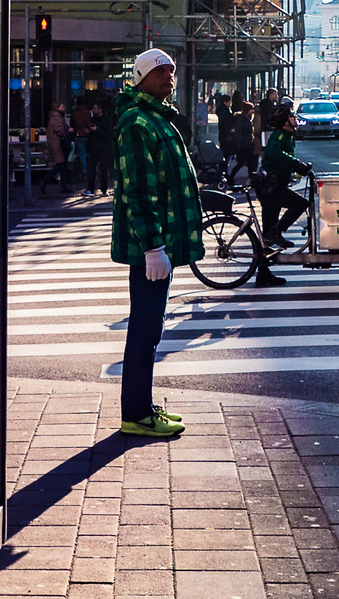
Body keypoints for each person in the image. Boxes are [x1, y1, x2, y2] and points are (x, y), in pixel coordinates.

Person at [112, 48, 204, 437]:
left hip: (157, 246)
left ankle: (142, 407)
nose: (169, 76)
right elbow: (138, 192)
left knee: (150, 328)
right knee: (145, 328)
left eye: (171, 70)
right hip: (149, 248)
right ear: (141, 77)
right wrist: (153, 247)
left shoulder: (155, 117)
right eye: (160, 71)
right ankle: (136, 413)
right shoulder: (137, 122)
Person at [257, 101, 313, 285]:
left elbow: (281, 160)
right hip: (271, 187)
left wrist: (296, 169)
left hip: (273, 186)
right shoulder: (280, 135)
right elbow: (273, 154)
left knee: (266, 235)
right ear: (284, 121)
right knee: (300, 204)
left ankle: (263, 274)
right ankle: (278, 232)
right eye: (291, 116)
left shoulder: (286, 135)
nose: (295, 118)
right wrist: (295, 163)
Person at [41, 102, 73, 195]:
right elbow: (60, 130)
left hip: (57, 143)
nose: (64, 108)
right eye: (62, 106)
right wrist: (67, 131)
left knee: (62, 165)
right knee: (60, 164)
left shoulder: (56, 117)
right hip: (57, 144)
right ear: (57, 108)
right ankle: (45, 181)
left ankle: (63, 186)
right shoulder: (56, 118)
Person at [85, 100, 113, 196]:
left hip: (103, 146)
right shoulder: (94, 119)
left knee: (104, 168)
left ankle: (103, 188)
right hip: (95, 146)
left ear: (100, 109)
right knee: (92, 167)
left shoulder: (107, 120)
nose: (93, 110)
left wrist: (96, 130)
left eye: (95, 108)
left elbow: (108, 134)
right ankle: (91, 188)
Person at [228, 101, 258, 185]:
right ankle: (231, 178)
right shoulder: (241, 119)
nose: (253, 111)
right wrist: (240, 145)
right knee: (242, 163)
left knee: (247, 163)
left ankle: (251, 179)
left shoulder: (247, 118)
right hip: (244, 145)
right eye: (252, 109)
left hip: (247, 144)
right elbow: (238, 133)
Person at [71, 97, 92, 183]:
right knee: (91, 154)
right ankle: (92, 171)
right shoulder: (88, 112)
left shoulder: (75, 113)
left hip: (78, 134)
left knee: (82, 155)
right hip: (88, 134)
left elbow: (72, 124)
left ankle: (84, 172)